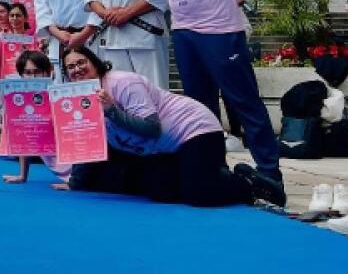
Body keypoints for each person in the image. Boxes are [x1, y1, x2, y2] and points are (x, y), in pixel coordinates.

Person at [149, 0, 281, 187]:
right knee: (200, 108)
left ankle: (270, 173)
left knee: (244, 101)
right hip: (184, 33)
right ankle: (214, 169)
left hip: (219, 32)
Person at [59, 46, 279, 207]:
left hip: (195, 130)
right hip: (161, 148)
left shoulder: (122, 83)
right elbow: (84, 142)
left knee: (199, 195)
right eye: (71, 67)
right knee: (161, 191)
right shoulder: (80, 101)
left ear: (94, 62)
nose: (77, 69)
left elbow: (152, 128)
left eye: (81, 62)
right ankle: (212, 173)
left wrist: (112, 112)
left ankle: (248, 184)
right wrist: (75, 181)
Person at [2, 50, 63, 185]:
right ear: (21, 75)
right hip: (57, 167)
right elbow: (25, 139)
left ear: (48, 72)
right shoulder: (21, 99)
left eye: (37, 72)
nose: (33, 77)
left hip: (77, 164)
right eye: (28, 73)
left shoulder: (60, 95)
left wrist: (76, 180)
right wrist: (22, 176)